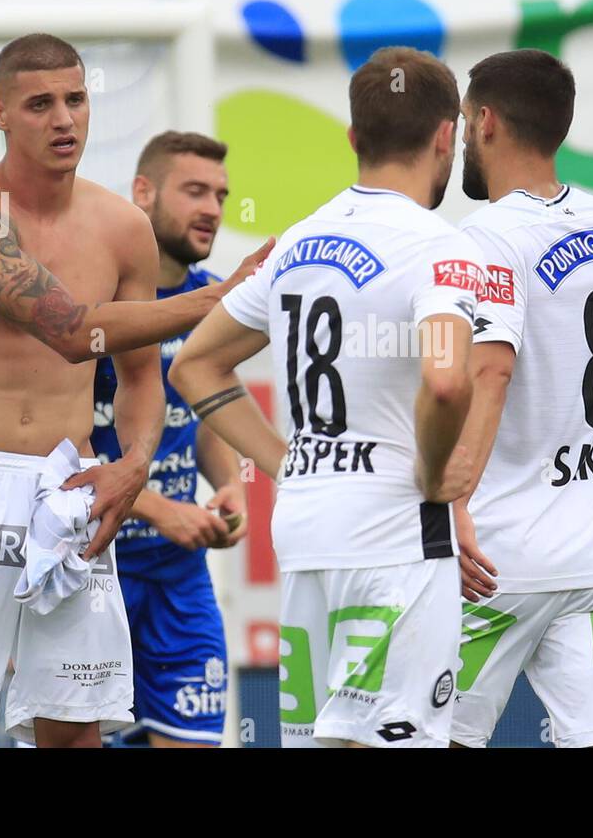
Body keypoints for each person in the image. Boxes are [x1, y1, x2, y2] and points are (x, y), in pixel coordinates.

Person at [0, 33, 269, 748]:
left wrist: (135, 464)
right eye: (40, 104)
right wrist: (222, 295)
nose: (64, 119)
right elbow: (69, 329)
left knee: (72, 727)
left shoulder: (123, 226)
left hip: (67, 485)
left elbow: (140, 376)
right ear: (0, 112)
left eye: (75, 98)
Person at [169, 46, 482, 747]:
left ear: (352, 138)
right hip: (397, 534)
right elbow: (446, 376)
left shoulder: (296, 244)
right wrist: (434, 476)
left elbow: (194, 367)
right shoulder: (442, 247)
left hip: (310, 531)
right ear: (444, 137)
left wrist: (290, 462)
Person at [447, 49, 593, 748]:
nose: (459, 137)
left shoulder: (485, 235)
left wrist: (449, 502)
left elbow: (491, 373)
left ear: (485, 122)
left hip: (495, 552)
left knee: (424, 733)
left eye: (462, 121)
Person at [91, 131, 248, 747]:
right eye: (194, 191)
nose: (212, 207)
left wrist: (231, 484)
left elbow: (204, 414)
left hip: (181, 583)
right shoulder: (92, 299)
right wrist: (160, 512)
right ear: (143, 192)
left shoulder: (209, 300)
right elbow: (58, 439)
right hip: (90, 575)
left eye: (220, 194)